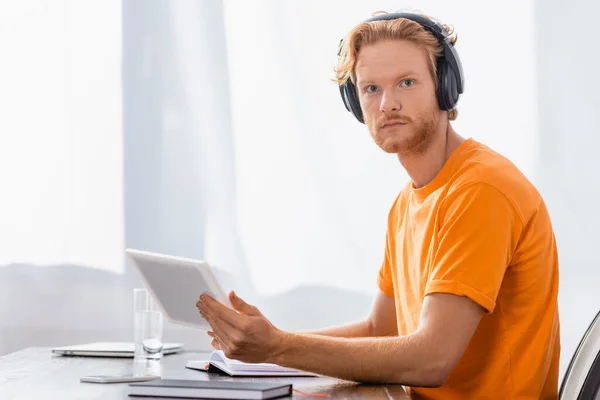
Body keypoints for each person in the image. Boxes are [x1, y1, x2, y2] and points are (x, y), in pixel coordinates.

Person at [197, 10, 560, 399]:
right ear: (356, 103)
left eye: (406, 82)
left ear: (444, 87)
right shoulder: (408, 202)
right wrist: (265, 347)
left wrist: (278, 347)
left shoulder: (482, 191)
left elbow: (432, 359)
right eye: (371, 89)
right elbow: (379, 330)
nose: (388, 103)